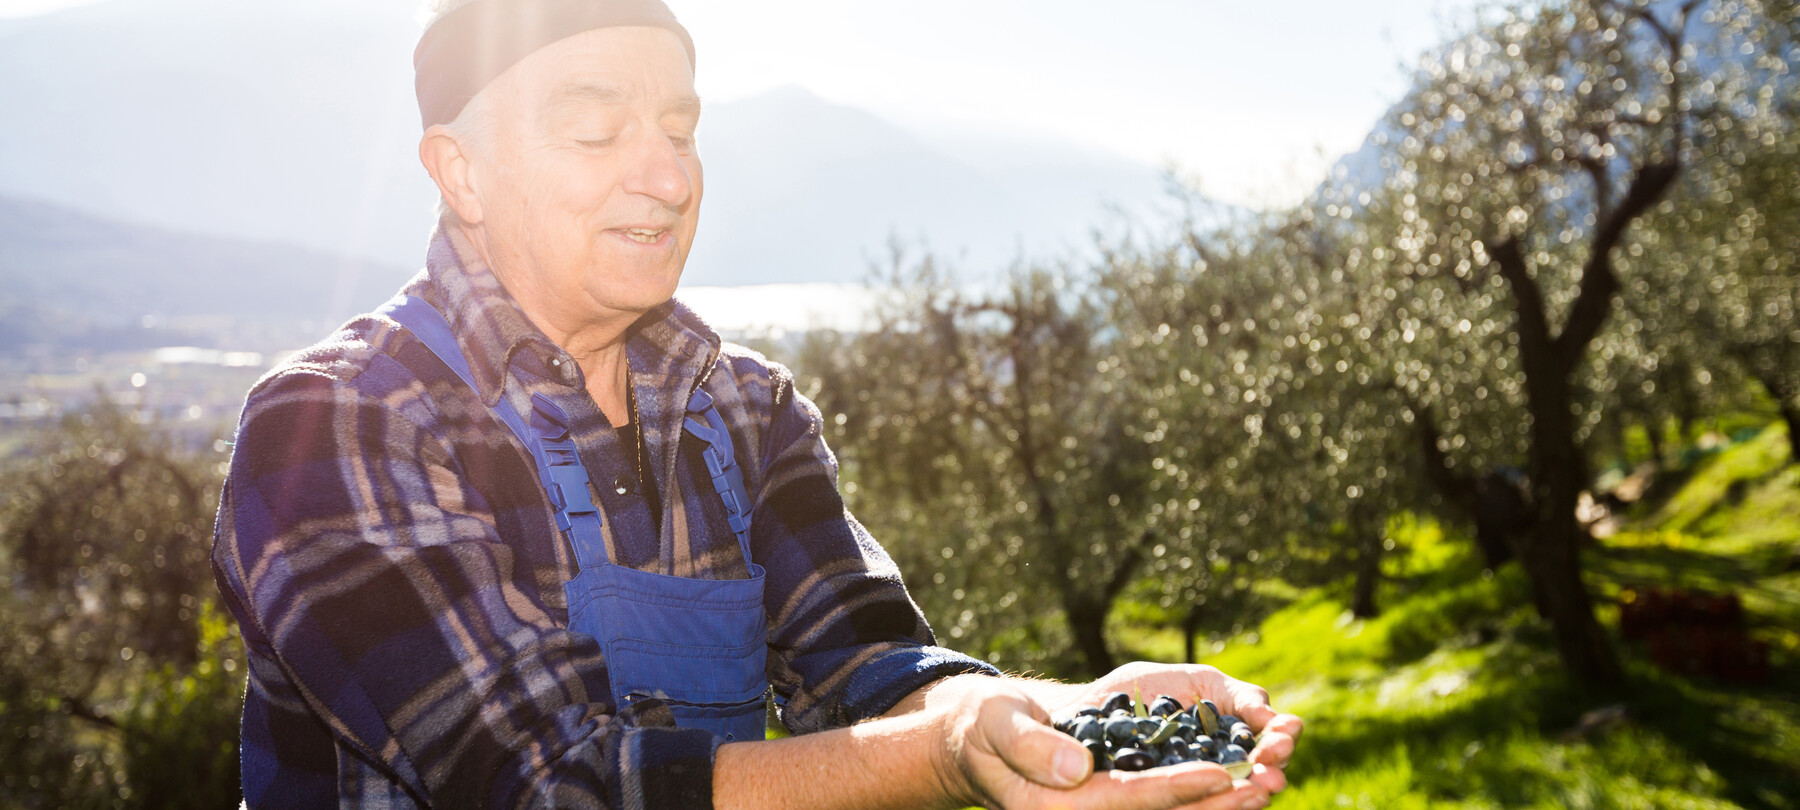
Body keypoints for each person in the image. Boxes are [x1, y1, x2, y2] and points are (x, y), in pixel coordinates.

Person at [209, 1, 1303, 807]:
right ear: (461, 173)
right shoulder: (337, 426)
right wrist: (944, 756)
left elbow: (868, 668)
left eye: (681, 131)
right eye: (599, 134)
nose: (672, 178)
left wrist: (1049, 718)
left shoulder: (741, 406)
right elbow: (541, 788)